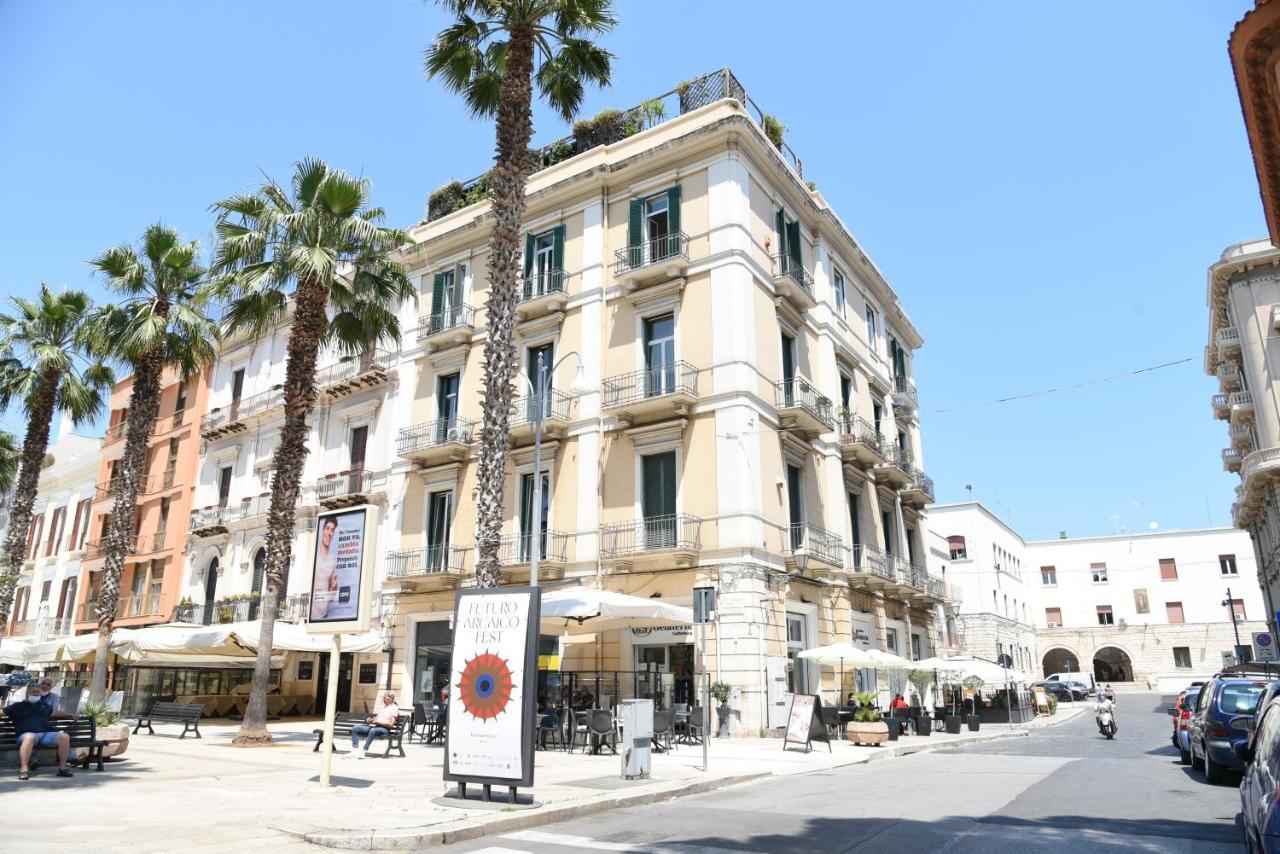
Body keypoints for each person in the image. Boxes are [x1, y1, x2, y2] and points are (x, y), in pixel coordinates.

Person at [3, 682, 76, 780]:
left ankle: (62, 768)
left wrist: (69, 715)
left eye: (38, 692)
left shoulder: (43, 705)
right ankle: (24, 770)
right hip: (25, 735)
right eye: (34, 692)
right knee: (30, 737)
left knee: (64, 737)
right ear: (28, 692)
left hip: (45, 735)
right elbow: (2, 712)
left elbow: (54, 713)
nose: (36, 694)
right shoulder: (17, 706)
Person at [348, 692, 400, 758]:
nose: (384, 699)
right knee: (355, 728)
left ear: (391, 699)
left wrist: (377, 722)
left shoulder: (394, 708)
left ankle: (364, 750)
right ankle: (355, 750)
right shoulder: (384, 708)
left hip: (385, 729)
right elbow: (377, 718)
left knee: (372, 730)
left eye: (385, 698)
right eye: (384, 698)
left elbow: (391, 724)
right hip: (376, 727)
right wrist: (371, 720)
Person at [310, 517, 340, 620]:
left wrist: (334, 587)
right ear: (323, 530)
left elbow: (333, 593)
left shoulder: (333, 560)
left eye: (332, 530)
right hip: (311, 614)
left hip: (324, 615)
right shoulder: (314, 555)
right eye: (327, 528)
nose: (329, 533)